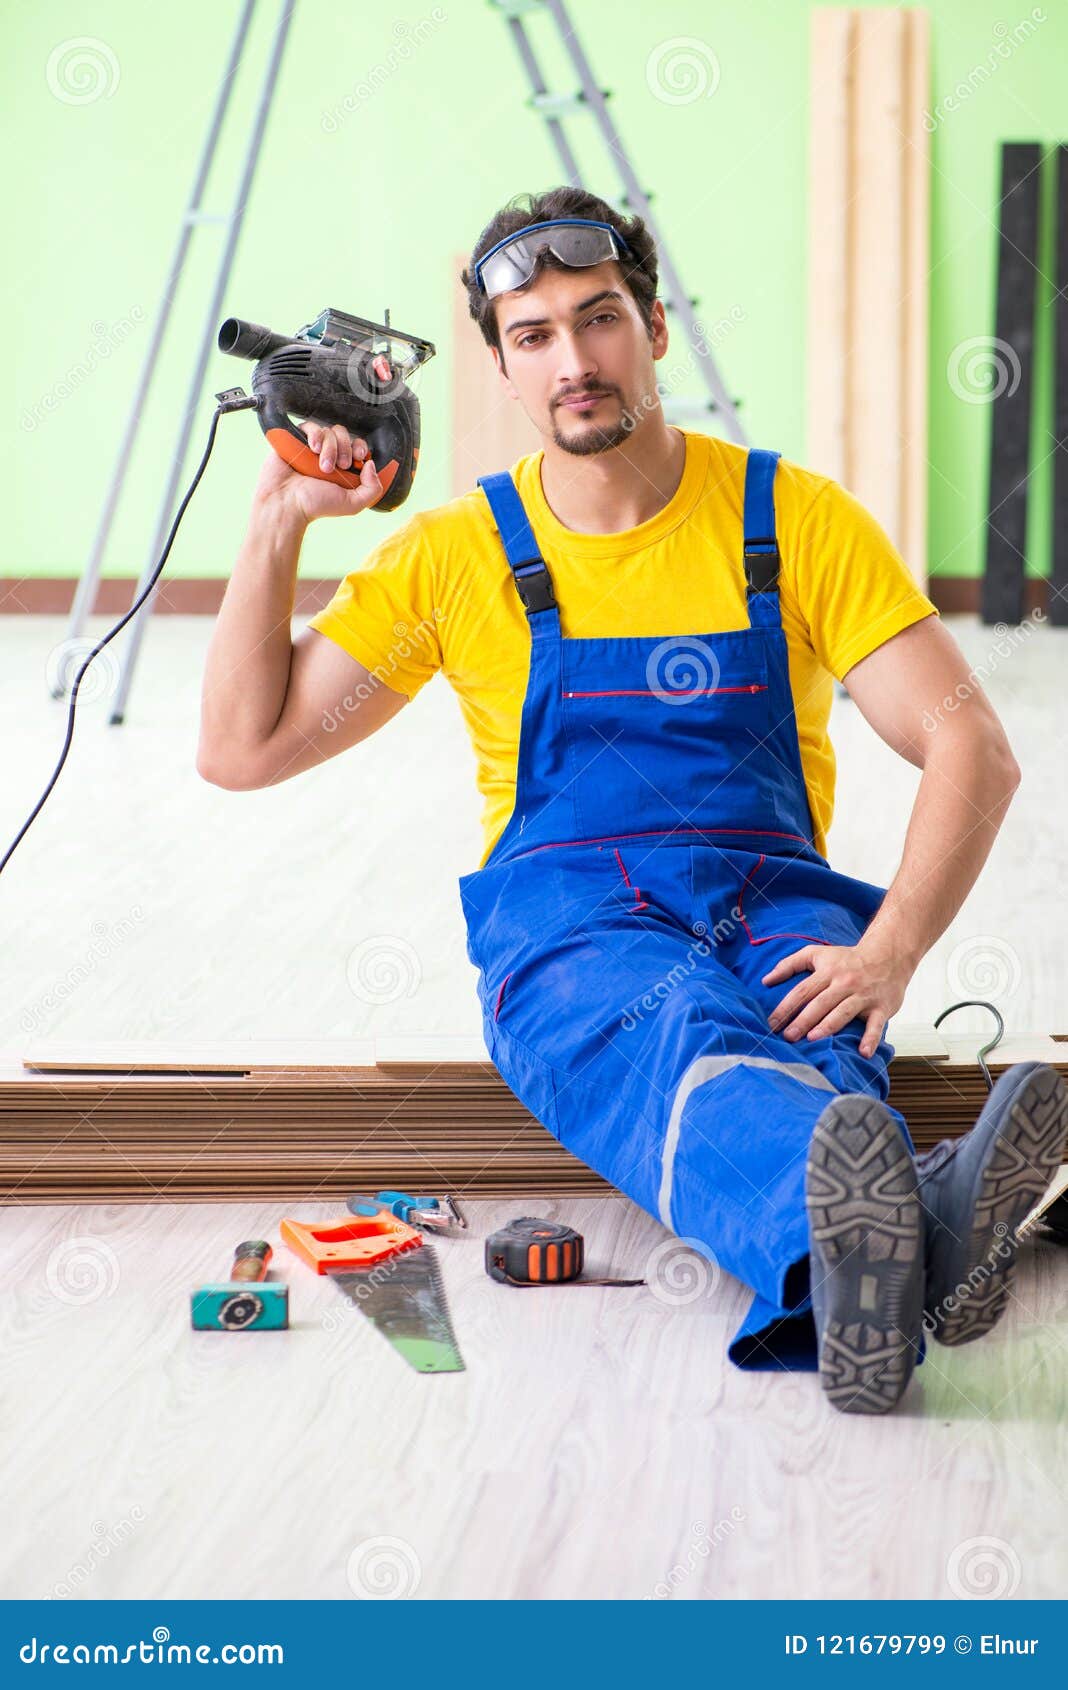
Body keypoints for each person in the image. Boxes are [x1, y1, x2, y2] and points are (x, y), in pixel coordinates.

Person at [197, 186, 1068, 1414]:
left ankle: (867, 1268)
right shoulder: (455, 555)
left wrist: (891, 949)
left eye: (598, 318)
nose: (574, 360)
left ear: (654, 328)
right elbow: (241, 749)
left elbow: (972, 742)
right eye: (535, 335)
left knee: (814, 1042)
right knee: (678, 1038)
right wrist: (280, 513)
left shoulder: (791, 519)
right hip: (573, 923)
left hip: (772, 902)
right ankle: (917, 1223)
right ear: (503, 368)